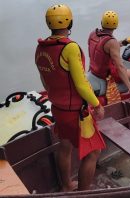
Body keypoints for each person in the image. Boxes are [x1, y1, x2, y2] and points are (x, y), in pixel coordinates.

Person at [35, 4, 106, 191]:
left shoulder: (41, 47)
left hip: (58, 108)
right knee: (93, 152)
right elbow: (81, 84)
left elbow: (44, 80)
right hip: (76, 112)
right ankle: (83, 193)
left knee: (64, 146)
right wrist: (97, 104)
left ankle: (66, 185)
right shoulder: (70, 48)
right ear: (70, 21)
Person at [87, 10, 130, 102]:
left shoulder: (93, 34)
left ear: (101, 22)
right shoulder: (112, 42)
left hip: (95, 70)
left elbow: (102, 49)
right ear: (116, 26)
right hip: (108, 75)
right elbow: (119, 67)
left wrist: (124, 42)